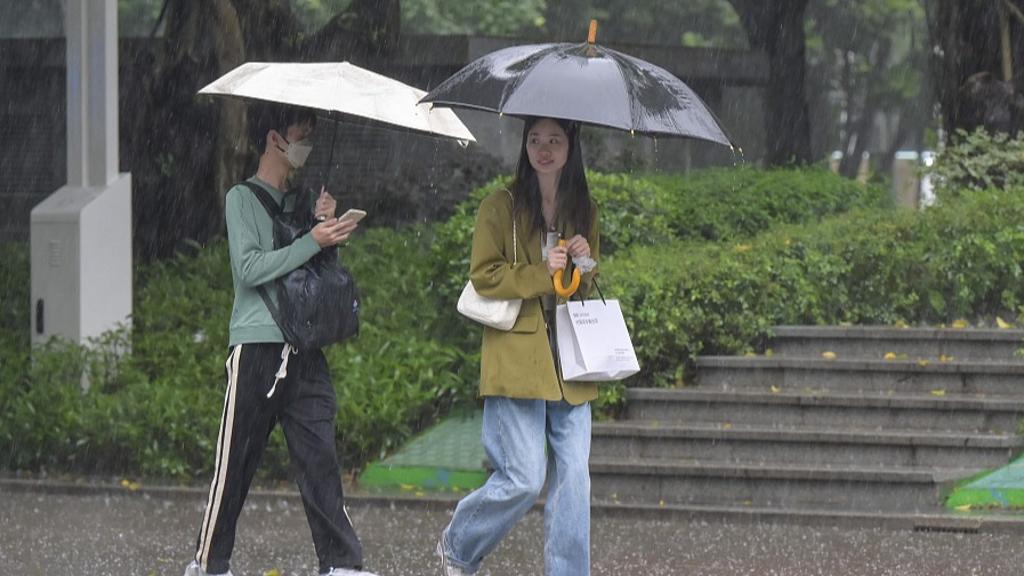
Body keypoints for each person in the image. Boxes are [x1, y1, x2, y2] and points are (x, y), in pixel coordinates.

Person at [183, 103, 376, 576]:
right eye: (301, 135)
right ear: (275, 139)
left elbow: (309, 277)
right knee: (236, 464)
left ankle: (342, 565)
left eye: (311, 136)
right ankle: (209, 564)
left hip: (304, 347)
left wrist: (326, 229)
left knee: (320, 458)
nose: (306, 145)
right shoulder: (242, 198)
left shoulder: (304, 201)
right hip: (257, 348)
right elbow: (249, 270)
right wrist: (312, 240)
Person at [437, 116, 600, 576]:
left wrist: (583, 263)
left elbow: (582, 284)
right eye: (534, 140)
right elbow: (484, 276)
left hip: (571, 362)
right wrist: (540, 274)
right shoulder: (500, 206)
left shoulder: (584, 207)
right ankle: (459, 544)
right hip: (517, 357)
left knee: (574, 480)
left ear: (571, 146)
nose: (543, 149)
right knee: (524, 479)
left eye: (554, 140)